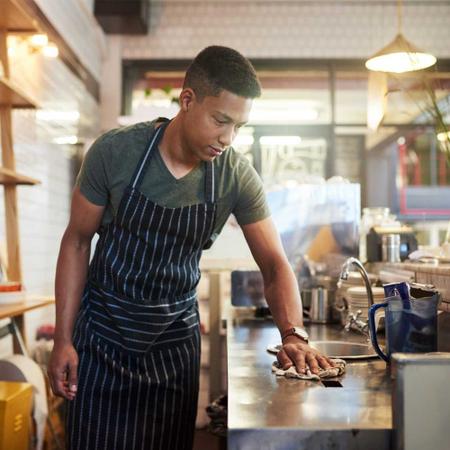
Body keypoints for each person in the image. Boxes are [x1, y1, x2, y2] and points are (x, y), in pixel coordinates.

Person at [48, 45, 334, 450]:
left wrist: (294, 334)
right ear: (187, 99)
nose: (228, 138)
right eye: (221, 120)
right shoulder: (115, 153)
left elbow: (274, 264)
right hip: (103, 336)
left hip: (172, 343)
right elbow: (76, 242)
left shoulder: (235, 175)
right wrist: (63, 338)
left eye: (239, 126)